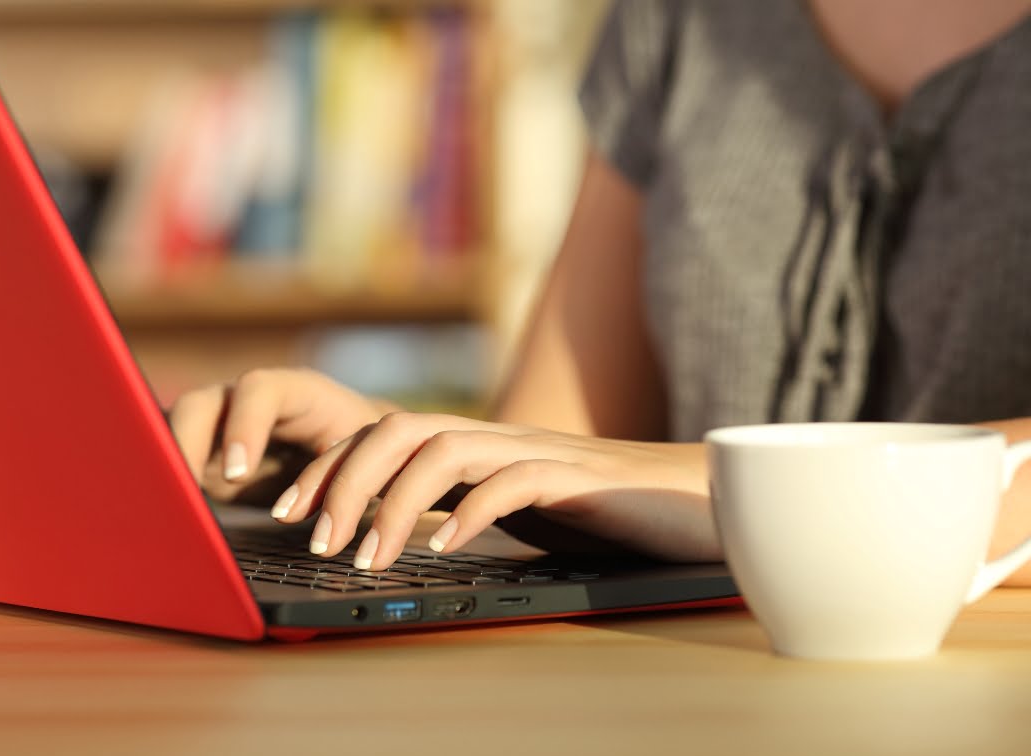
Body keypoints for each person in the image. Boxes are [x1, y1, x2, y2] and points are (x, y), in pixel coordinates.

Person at [168, 0, 1031, 581]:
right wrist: (390, 462)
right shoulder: (680, 21)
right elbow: (562, 442)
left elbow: (606, 470)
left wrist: (693, 488)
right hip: (692, 688)